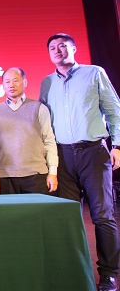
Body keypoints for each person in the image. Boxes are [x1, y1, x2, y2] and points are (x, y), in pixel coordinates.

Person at [40, 33, 120, 291]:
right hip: (63, 156)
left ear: (74, 49)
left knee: (103, 215)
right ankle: (75, 269)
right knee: (69, 216)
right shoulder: (47, 82)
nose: (57, 50)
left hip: (93, 152)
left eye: (62, 46)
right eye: (52, 47)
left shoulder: (94, 73)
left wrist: (118, 146)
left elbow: (114, 110)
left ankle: (108, 274)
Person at [0, 67, 58, 195]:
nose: (11, 85)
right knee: (11, 209)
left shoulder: (39, 108)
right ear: (2, 85)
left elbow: (49, 141)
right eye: (7, 82)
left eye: (15, 80)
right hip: (6, 176)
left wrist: (53, 172)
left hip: (36, 175)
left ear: (25, 82)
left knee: (39, 208)